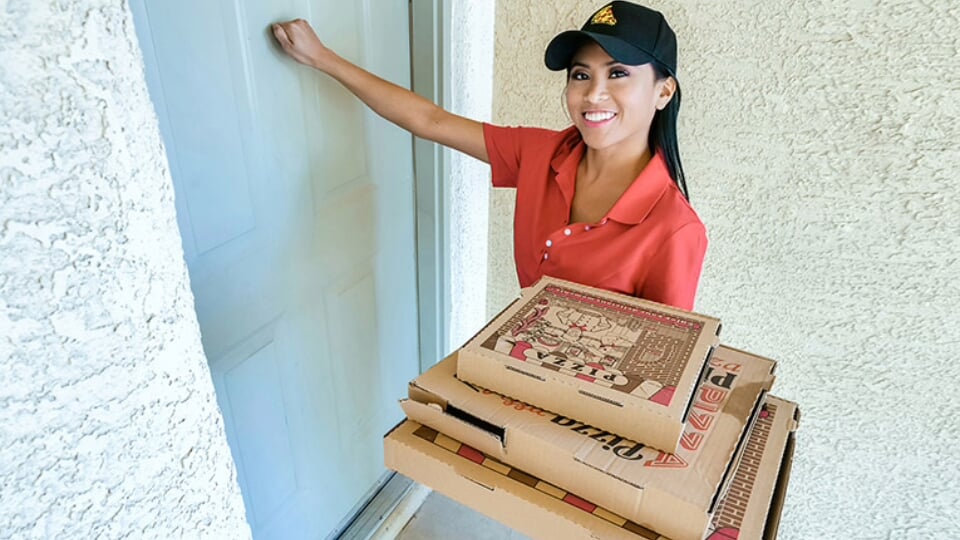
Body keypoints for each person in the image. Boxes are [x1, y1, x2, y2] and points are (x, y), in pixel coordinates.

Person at [272, 1, 706, 310]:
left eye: (618, 73)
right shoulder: (542, 153)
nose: (593, 94)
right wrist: (323, 59)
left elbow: (662, 373)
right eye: (580, 75)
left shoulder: (674, 230)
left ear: (663, 91)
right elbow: (430, 121)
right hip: (517, 372)